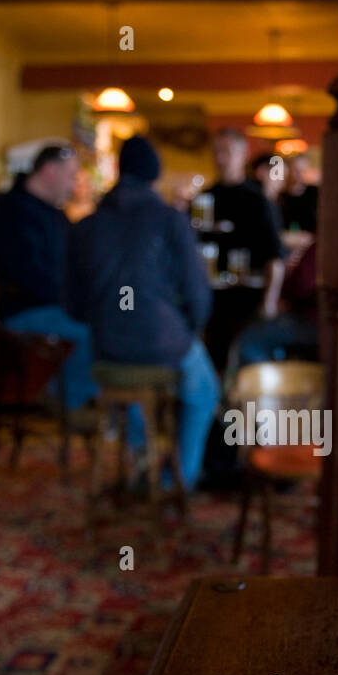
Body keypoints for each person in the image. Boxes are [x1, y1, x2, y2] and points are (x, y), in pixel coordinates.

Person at [69, 136, 220, 491]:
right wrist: (191, 329)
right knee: (205, 390)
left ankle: (142, 456)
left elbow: (72, 304)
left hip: (107, 349)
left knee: (131, 385)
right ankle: (179, 477)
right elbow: (198, 293)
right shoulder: (170, 220)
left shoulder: (86, 226)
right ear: (154, 176)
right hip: (162, 342)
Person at [0, 143, 97, 410]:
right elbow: (28, 278)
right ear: (49, 171)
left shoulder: (55, 214)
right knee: (103, 334)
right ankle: (62, 400)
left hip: (54, 306)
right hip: (23, 311)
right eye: (71, 176)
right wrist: (77, 302)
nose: (73, 185)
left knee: (120, 325)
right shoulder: (11, 212)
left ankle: (104, 414)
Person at [203, 128, 285, 372]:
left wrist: (269, 302)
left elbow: (275, 257)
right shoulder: (205, 198)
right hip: (212, 298)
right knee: (213, 360)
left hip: (248, 299)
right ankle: (217, 407)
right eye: (216, 152)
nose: (221, 158)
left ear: (242, 154)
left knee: (244, 365)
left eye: (227, 152)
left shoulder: (258, 201)